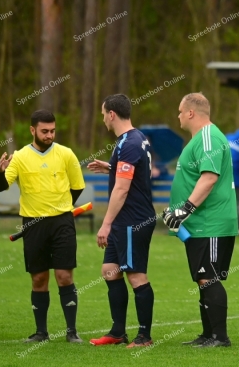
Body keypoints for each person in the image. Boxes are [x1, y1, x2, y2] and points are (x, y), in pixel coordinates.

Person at [0, 110, 85, 343]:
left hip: (62, 222)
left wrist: (60, 208)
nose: (49, 135)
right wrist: (0, 172)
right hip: (33, 224)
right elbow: (2, 187)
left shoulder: (66, 154)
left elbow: (77, 187)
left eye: (53, 131)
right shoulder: (20, 156)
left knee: (65, 276)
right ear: (32, 130)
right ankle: (41, 333)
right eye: (44, 131)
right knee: (39, 279)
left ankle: (72, 331)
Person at [165, 93, 238, 348]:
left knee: (210, 277)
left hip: (211, 222)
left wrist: (184, 209)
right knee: (202, 278)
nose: (178, 116)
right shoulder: (198, 139)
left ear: (191, 113)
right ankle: (208, 334)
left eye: (180, 111)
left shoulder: (208, 137)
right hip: (199, 224)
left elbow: (209, 178)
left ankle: (220, 337)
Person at [86, 94, 157, 348]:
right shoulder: (133, 139)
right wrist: (111, 167)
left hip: (132, 219)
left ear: (112, 114)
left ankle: (144, 337)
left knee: (136, 276)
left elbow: (122, 189)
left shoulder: (128, 143)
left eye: (104, 113)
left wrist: (105, 223)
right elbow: (131, 173)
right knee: (110, 271)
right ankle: (117, 332)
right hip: (126, 219)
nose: (103, 118)